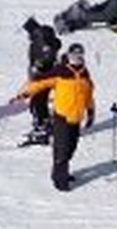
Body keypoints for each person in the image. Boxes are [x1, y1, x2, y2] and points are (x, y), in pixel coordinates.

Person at [14, 42, 95, 191]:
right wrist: (25, 93)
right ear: (68, 55)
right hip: (62, 117)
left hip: (76, 117)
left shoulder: (85, 73)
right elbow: (41, 83)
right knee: (62, 149)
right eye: (74, 55)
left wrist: (90, 111)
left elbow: (88, 94)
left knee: (71, 148)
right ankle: (60, 180)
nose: (76, 58)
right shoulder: (61, 71)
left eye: (79, 55)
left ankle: (62, 171)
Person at [21, 18, 63, 146]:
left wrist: (37, 69)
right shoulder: (45, 41)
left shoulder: (43, 45)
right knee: (39, 102)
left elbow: (44, 61)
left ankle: (42, 128)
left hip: (42, 79)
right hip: (43, 78)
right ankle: (44, 124)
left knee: (37, 103)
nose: (29, 37)